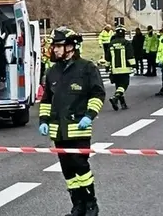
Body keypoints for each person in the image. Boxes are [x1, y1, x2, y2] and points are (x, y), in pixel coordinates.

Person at [38, 27, 105, 216]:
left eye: (59, 46)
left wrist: (89, 115)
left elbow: (98, 93)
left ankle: (91, 204)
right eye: (54, 46)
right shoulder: (52, 71)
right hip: (58, 130)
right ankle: (77, 206)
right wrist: (44, 120)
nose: (55, 50)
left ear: (71, 47)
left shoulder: (87, 68)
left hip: (78, 129)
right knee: (67, 170)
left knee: (81, 166)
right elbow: (46, 100)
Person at [108, 26, 135, 110]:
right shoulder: (126, 43)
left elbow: (107, 57)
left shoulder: (111, 43)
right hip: (124, 69)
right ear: (124, 33)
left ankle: (122, 104)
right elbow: (130, 55)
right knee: (124, 85)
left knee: (118, 86)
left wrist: (107, 66)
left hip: (114, 70)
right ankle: (115, 98)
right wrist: (133, 64)